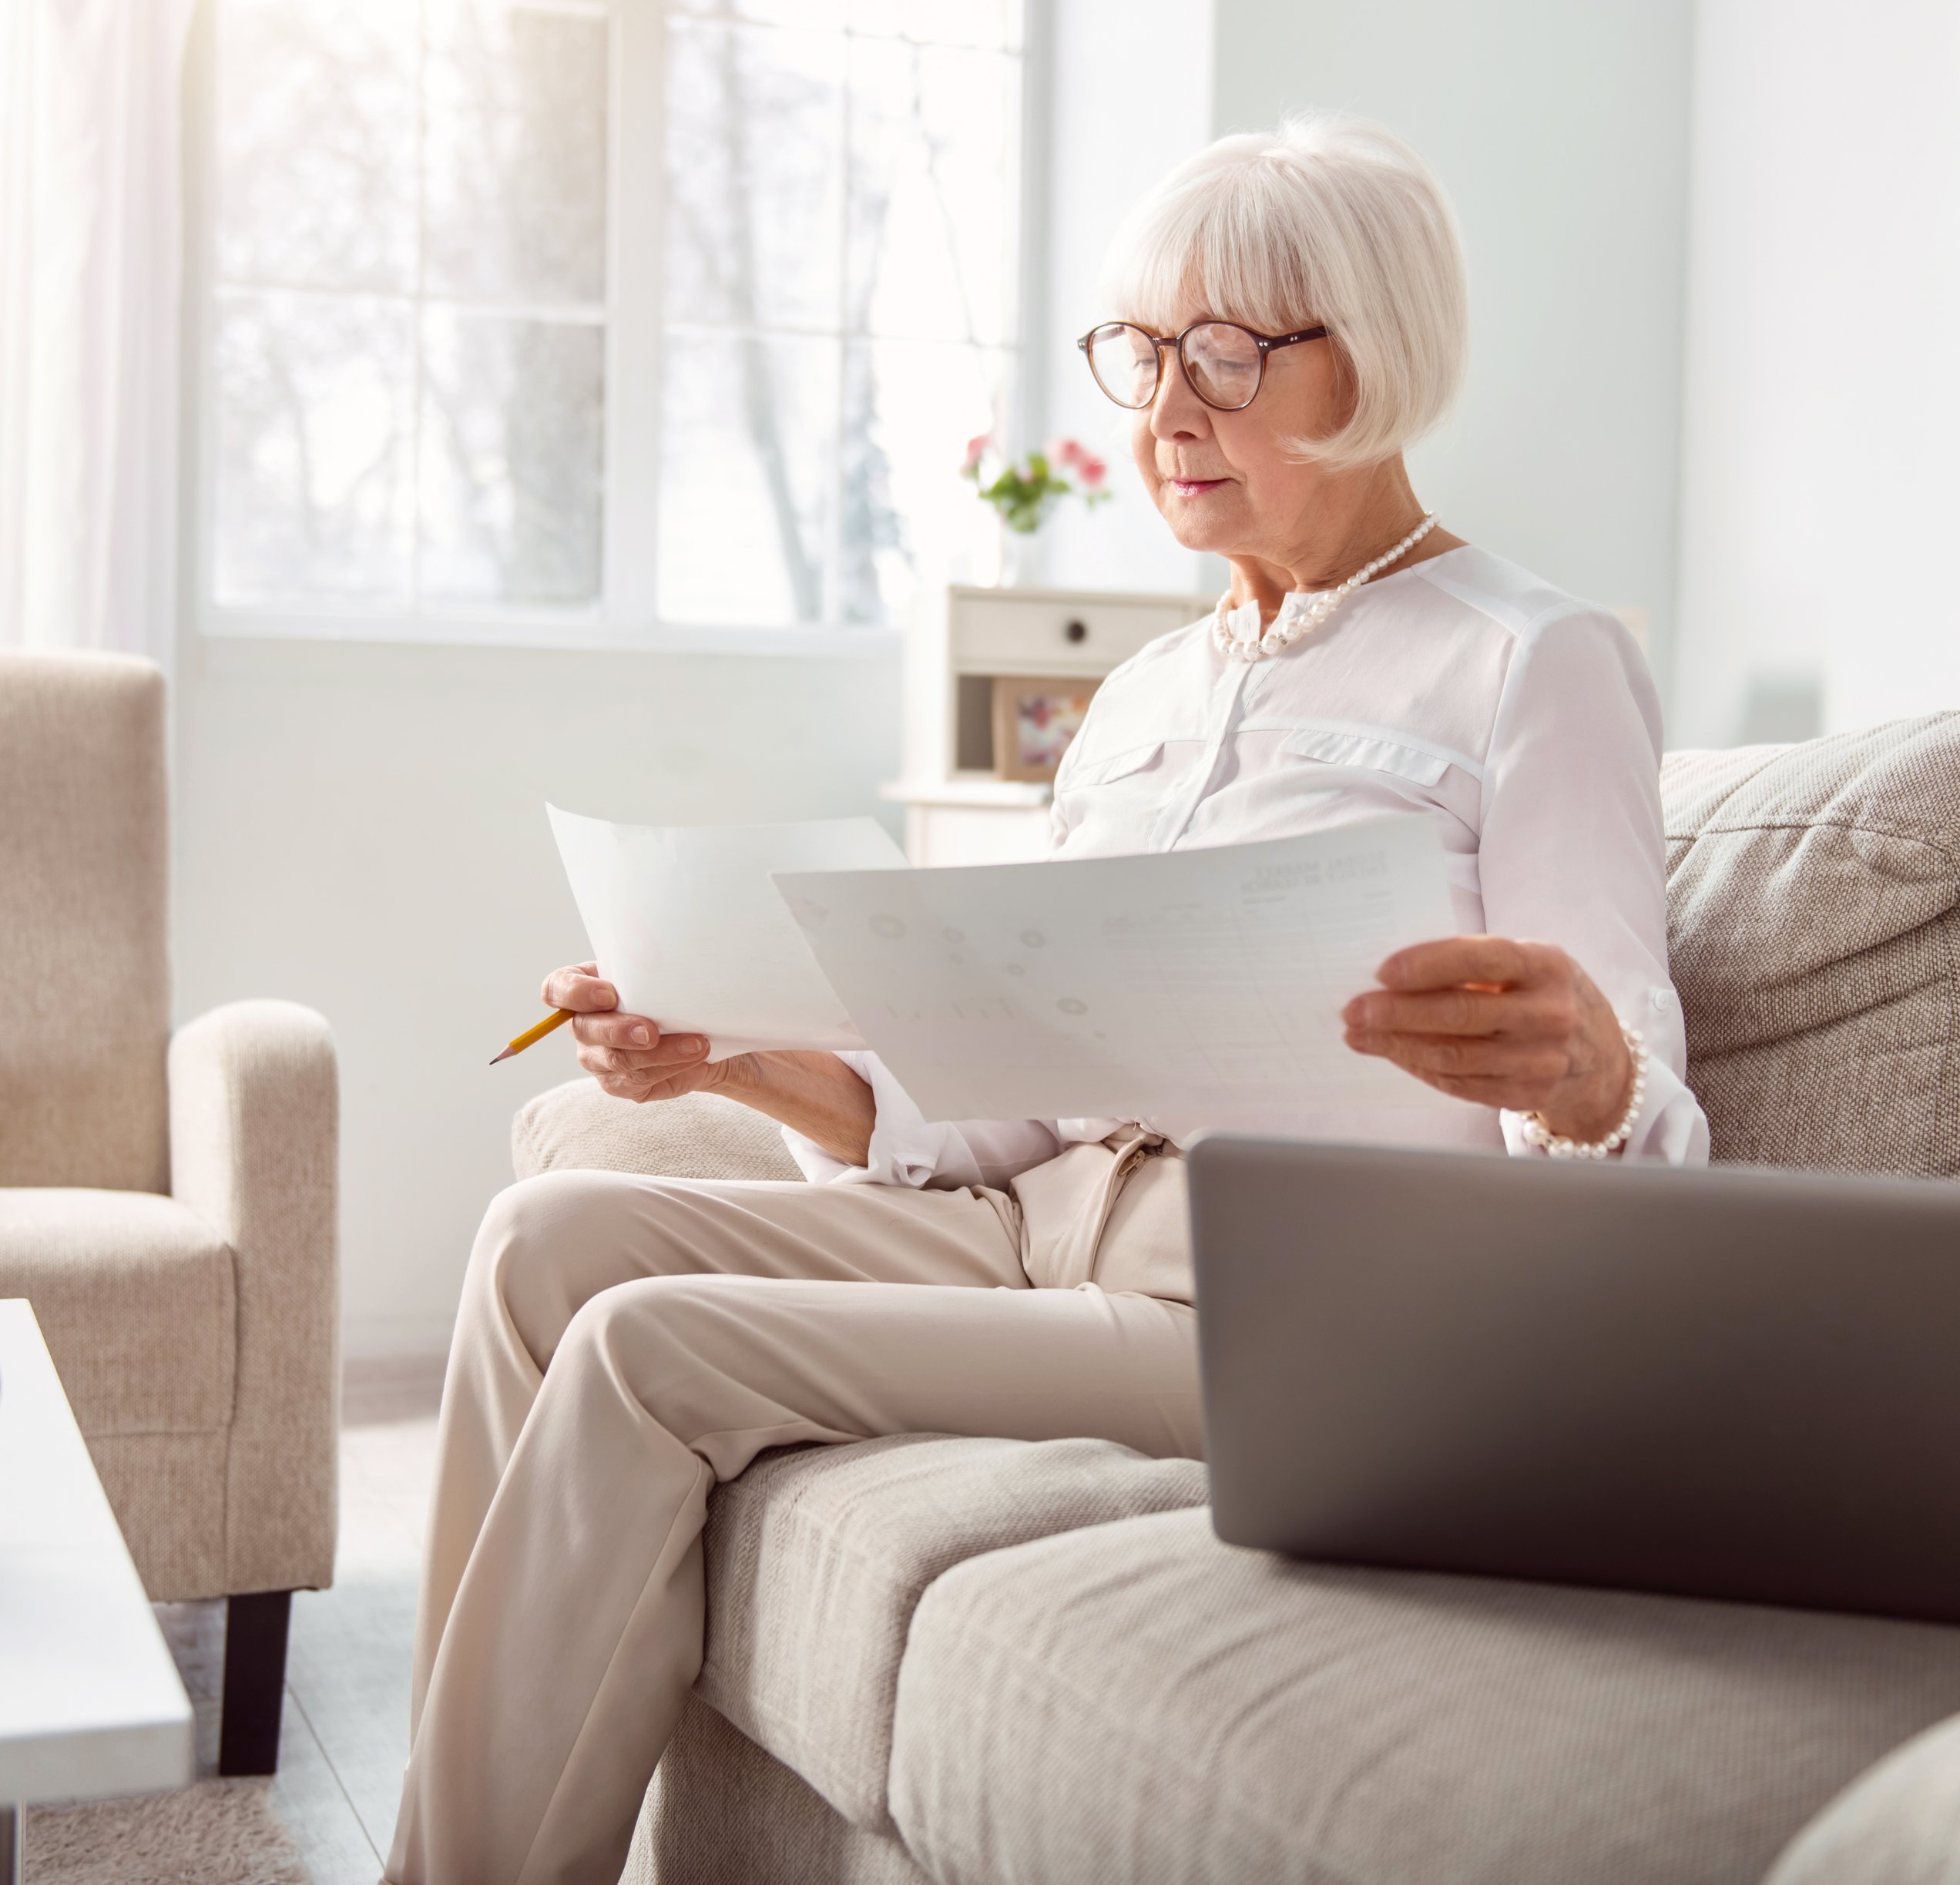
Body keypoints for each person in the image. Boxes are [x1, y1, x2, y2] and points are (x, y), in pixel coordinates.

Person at [387, 112, 1709, 1885]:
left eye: (1229, 353)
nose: (1168, 406)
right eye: (1143, 352)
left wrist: (1584, 1069)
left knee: (648, 1346)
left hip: (1274, 1304)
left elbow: (1646, 1114)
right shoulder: (1151, 690)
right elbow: (996, 1110)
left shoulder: (1533, 658)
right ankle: (448, 1823)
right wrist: (740, 1050)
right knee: (545, 1238)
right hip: (1038, 1222)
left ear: (1376, 357)